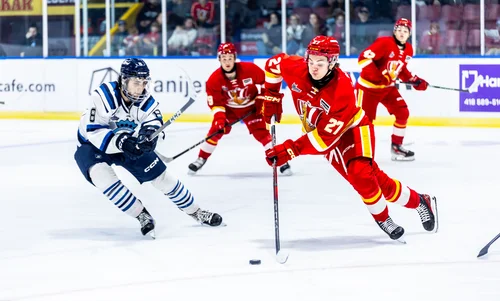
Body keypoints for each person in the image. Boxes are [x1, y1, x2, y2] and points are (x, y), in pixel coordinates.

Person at [259, 36, 438, 242]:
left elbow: (323, 141)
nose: (313, 67)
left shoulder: (341, 90)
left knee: (360, 175)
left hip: (353, 129)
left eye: (320, 62)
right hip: (321, 133)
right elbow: (273, 65)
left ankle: (384, 219)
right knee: (374, 180)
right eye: (311, 60)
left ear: (332, 62)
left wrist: (290, 150)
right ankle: (420, 201)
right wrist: (271, 96)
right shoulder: (296, 68)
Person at [74, 58, 223, 238]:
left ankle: (196, 212)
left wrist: (149, 138)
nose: (140, 88)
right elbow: (94, 132)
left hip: (127, 141)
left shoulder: (145, 100)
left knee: (162, 177)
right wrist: (122, 143)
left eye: (144, 83)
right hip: (92, 146)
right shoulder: (103, 96)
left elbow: (154, 124)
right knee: (102, 177)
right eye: (136, 82)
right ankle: (141, 214)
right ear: (124, 80)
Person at [188, 42, 292, 175]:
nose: (227, 62)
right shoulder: (214, 80)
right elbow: (216, 104)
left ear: (235, 58)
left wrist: (262, 99)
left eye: (230, 58)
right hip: (229, 110)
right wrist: (220, 120)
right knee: (215, 130)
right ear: (219, 59)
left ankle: (281, 160)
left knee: (262, 134)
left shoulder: (250, 69)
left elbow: (268, 84)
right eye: (224, 59)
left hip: (252, 108)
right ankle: (201, 158)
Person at [355, 18, 428, 161]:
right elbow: (363, 59)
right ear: (394, 31)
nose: (402, 33)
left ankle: (396, 147)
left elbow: (401, 70)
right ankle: (358, 152)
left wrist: (415, 80)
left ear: (409, 34)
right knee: (364, 122)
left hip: (387, 88)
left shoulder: (408, 49)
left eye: (405, 31)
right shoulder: (384, 43)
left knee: (402, 112)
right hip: (368, 89)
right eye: (399, 30)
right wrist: (379, 78)